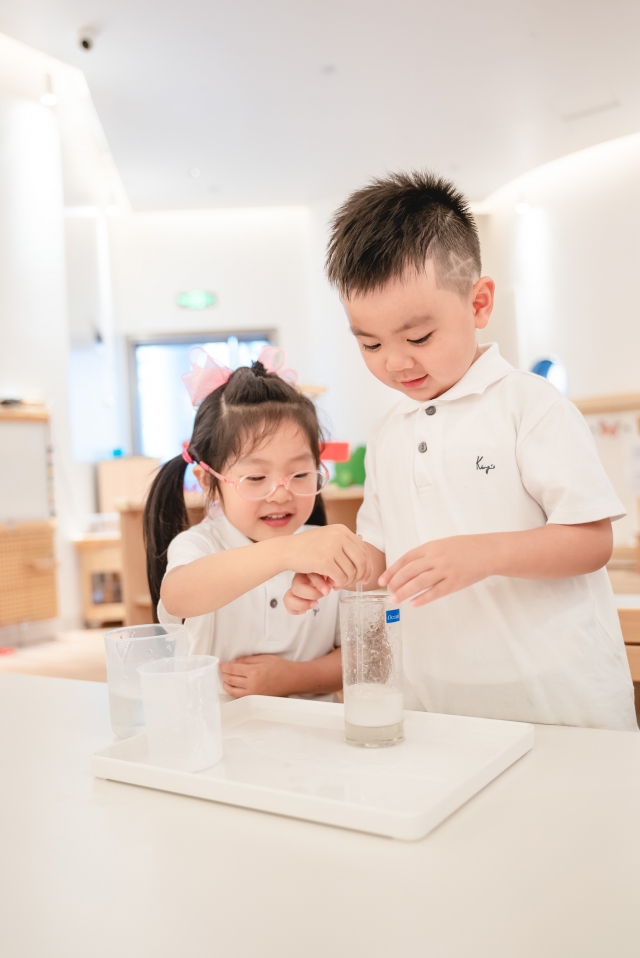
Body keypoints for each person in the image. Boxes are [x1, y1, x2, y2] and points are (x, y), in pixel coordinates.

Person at [285, 171, 637, 731]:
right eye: (369, 343)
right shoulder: (389, 433)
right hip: (439, 707)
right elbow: (386, 557)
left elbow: (592, 541)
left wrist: (484, 553)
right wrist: (343, 571)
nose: (395, 362)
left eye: (418, 338)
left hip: (556, 703)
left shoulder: (530, 406)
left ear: (479, 303)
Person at [144, 346, 370, 700]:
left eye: (299, 473)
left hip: (312, 740)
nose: (280, 495)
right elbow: (177, 596)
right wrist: (287, 552)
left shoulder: (324, 551)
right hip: (221, 739)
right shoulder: (199, 546)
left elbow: (362, 657)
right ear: (210, 483)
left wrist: (294, 678)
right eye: (255, 478)